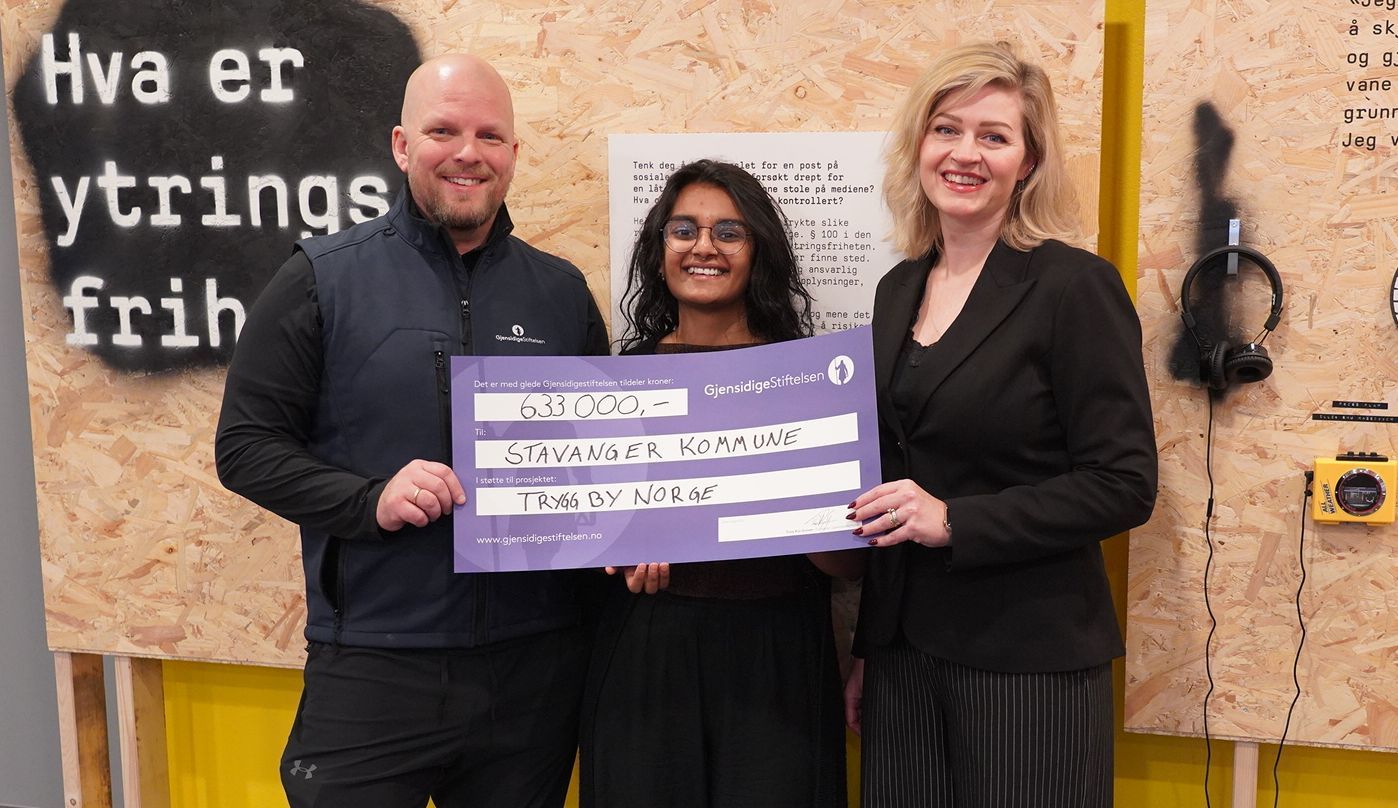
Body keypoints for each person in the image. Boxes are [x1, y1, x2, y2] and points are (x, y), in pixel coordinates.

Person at [215, 54, 609, 808]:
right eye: (444, 130)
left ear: (515, 155)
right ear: (401, 146)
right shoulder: (322, 278)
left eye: (490, 135)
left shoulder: (559, 293)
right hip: (373, 666)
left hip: (535, 672)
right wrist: (370, 500)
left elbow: (602, 464)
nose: (468, 152)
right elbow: (245, 448)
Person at [841, 42, 1158, 807]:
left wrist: (956, 520)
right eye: (946, 129)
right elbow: (889, 473)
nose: (965, 153)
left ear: (1029, 161)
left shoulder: (1073, 287)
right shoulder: (897, 289)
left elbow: (1124, 485)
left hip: (1028, 656)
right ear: (919, 145)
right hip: (902, 656)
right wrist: (865, 649)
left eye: (994, 136)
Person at [579, 159, 861, 808]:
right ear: (659, 251)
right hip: (646, 650)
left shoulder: (811, 381)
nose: (703, 246)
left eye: (729, 232)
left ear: (758, 253)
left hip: (778, 654)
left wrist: (801, 505)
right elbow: (583, 533)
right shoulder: (615, 388)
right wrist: (614, 551)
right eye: (684, 230)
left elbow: (847, 563)